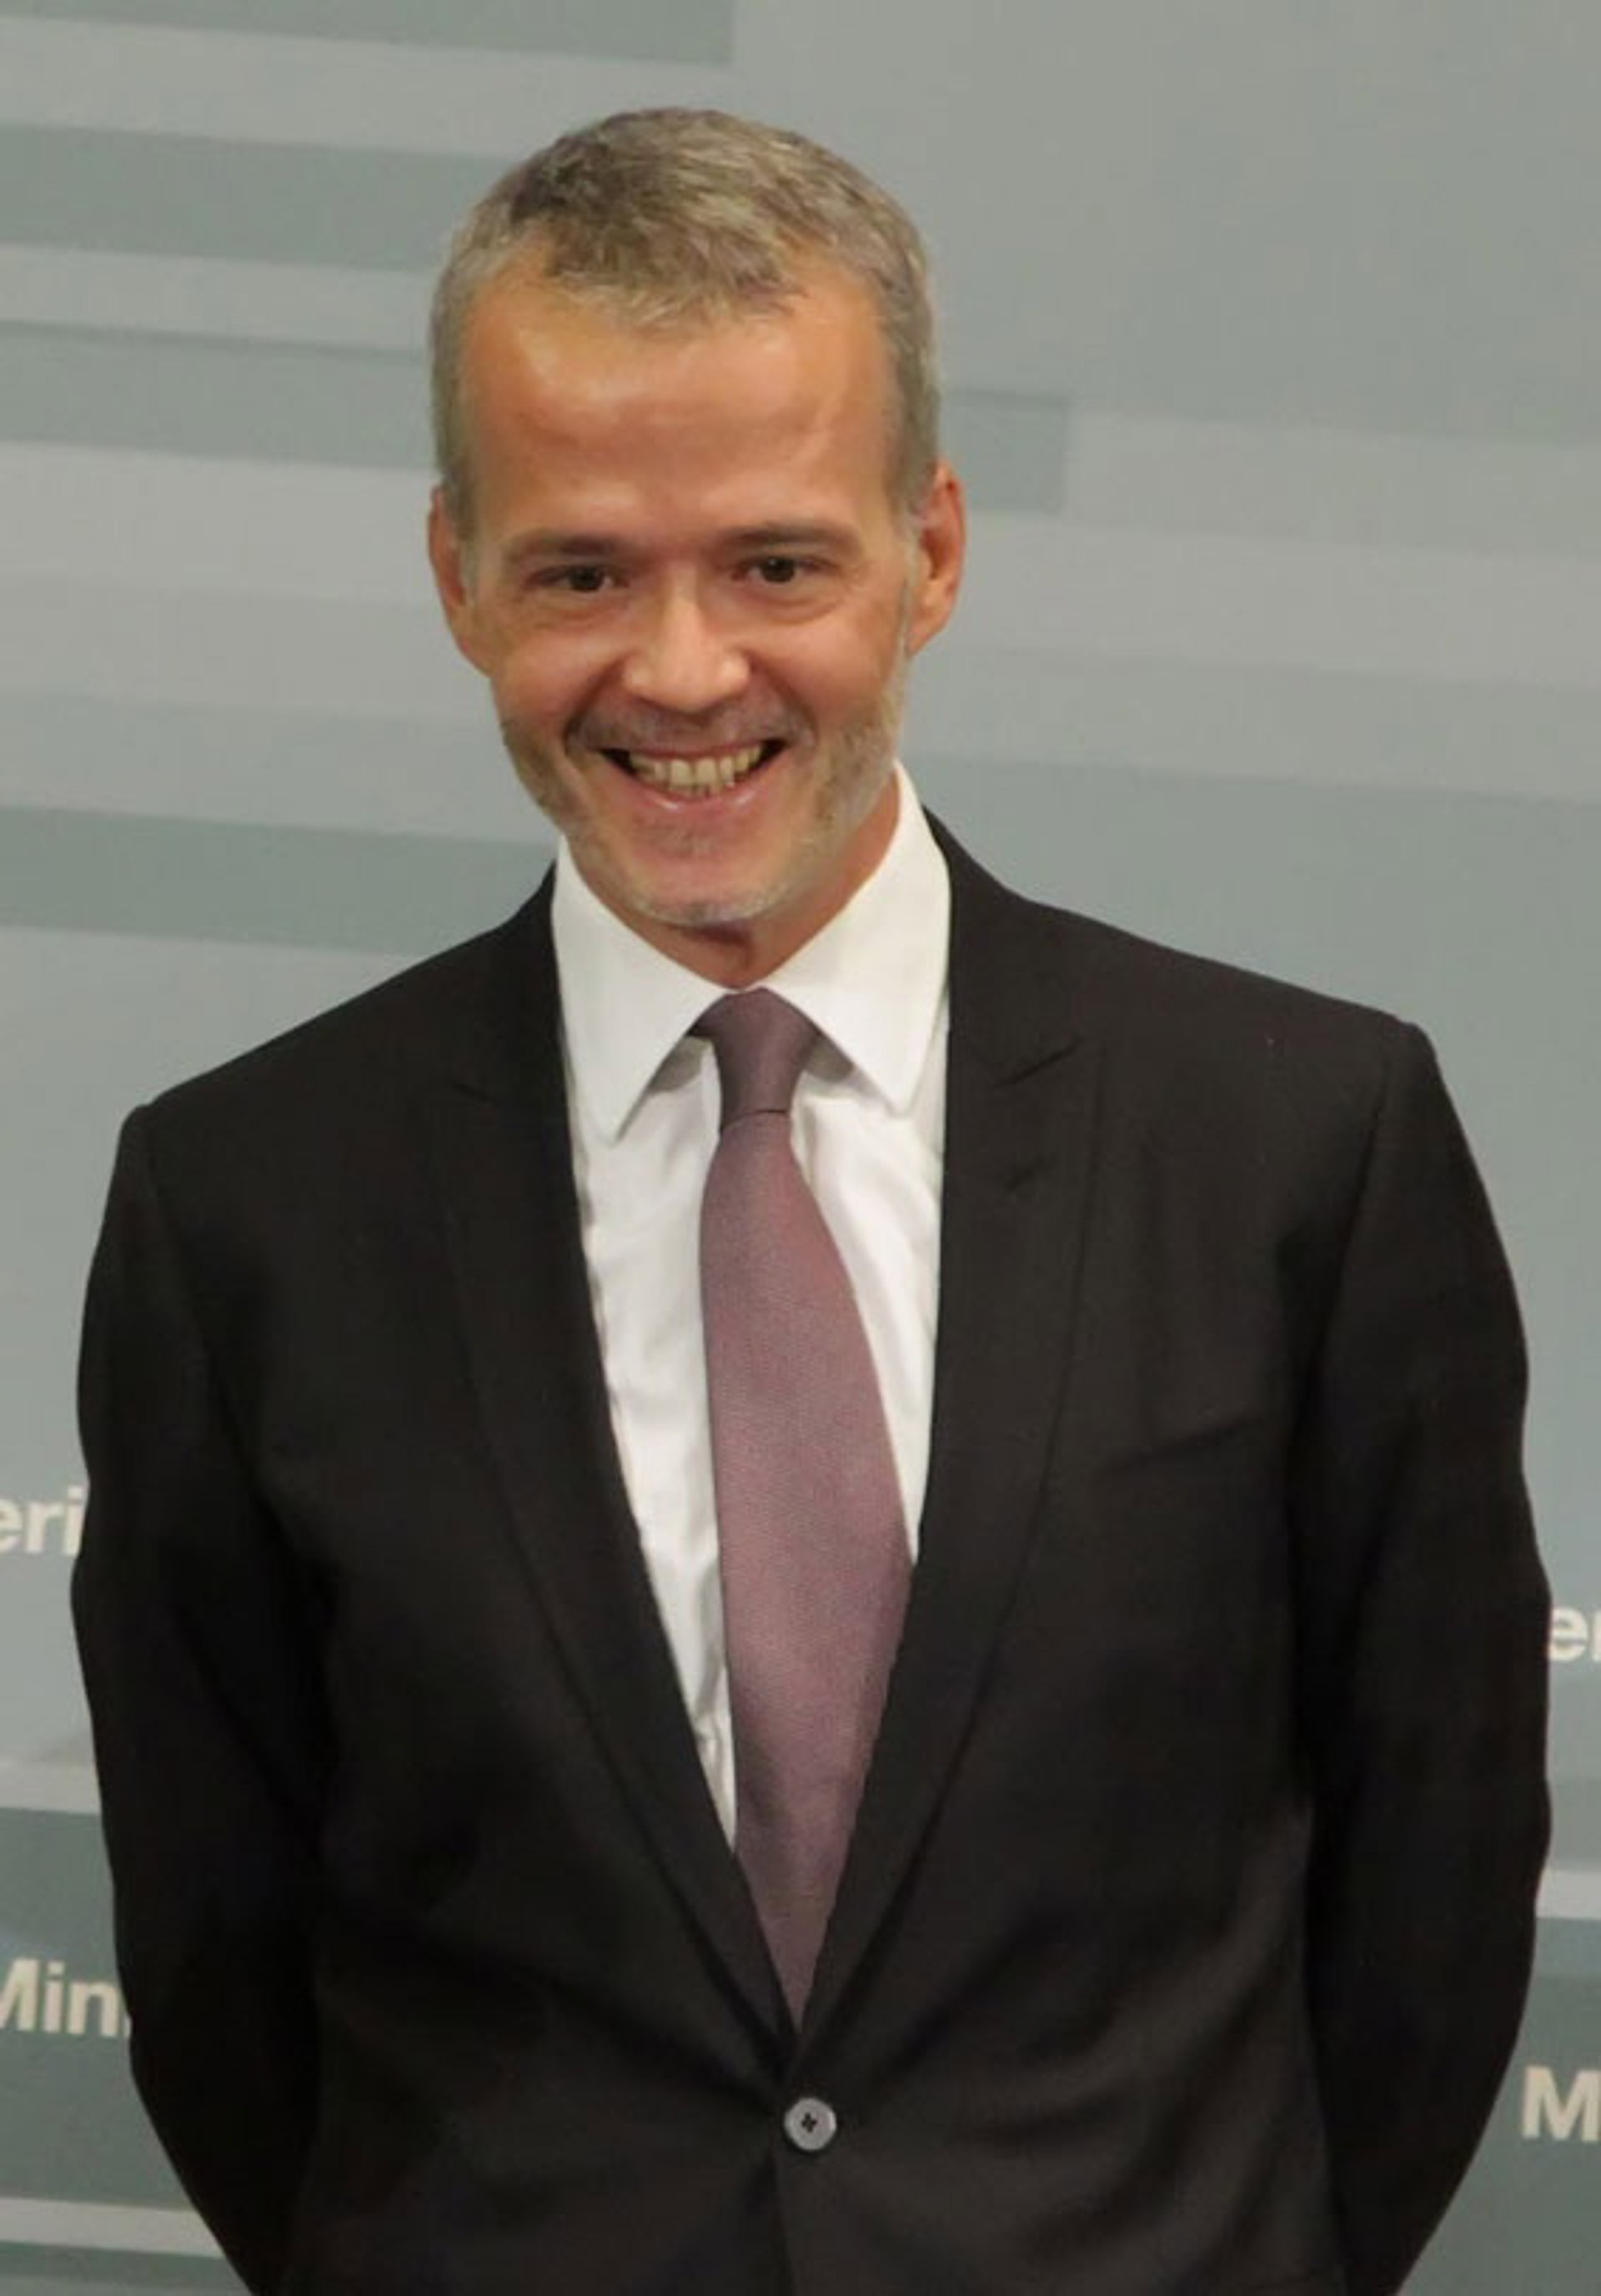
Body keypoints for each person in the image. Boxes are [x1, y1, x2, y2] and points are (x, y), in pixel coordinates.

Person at [73, 108, 1548, 2296]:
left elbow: (1427, 1905)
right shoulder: (245, 1210)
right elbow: (226, 1981)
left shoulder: (1304, 1146)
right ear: (457, 575)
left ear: (930, 551)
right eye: (582, 571)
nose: (682, 672)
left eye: (777, 564)